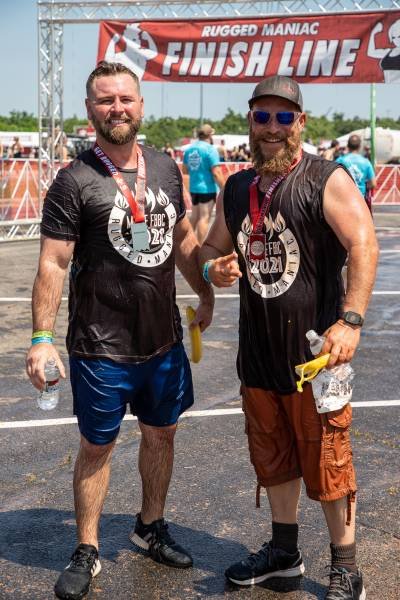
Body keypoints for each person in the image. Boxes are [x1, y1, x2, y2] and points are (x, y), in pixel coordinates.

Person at [26, 61, 214, 600]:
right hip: (100, 345)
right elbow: (54, 262)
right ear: (90, 110)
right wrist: (41, 339)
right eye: (106, 100)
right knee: (97, 446)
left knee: (162, 435)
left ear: (140, 105)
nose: (117, 108)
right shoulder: (74, 180)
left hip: (163, 342)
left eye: (125, 99)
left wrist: (205, 290)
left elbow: (182, 240)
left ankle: (149, 526)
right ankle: (87, 548)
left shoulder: (165, 168)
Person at [199, 75, 379, 600]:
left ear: (300, 123)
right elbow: (210, 248)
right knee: (272, 455)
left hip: (316, 355)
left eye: (284, 117)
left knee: (328, 459)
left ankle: (345, 566)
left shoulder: (327, 178)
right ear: (250, 123)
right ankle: (284, 554)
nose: (272, 128)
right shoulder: (237, 188)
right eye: (263, 117)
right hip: (259, 356)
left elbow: (364, 243)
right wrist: (213, 270)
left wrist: (351, 320)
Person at [182, 123, 225, 244]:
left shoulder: (189, 149)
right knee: (204, 218)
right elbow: (216, 173)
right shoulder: (210, 149)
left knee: (194, 217)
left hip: (194, 188)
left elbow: (185, 170)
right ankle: (200, 247)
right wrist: (225, 188)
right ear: (210, 135)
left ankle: (187, 244)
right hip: (207, 189)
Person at [336, 135, 376, 212]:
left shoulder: (340, 160)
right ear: (359, 147)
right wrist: (364, 186)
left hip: (343, 199)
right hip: (360, 200)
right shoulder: (366, 162)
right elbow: (373, 183)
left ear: (348, 145)